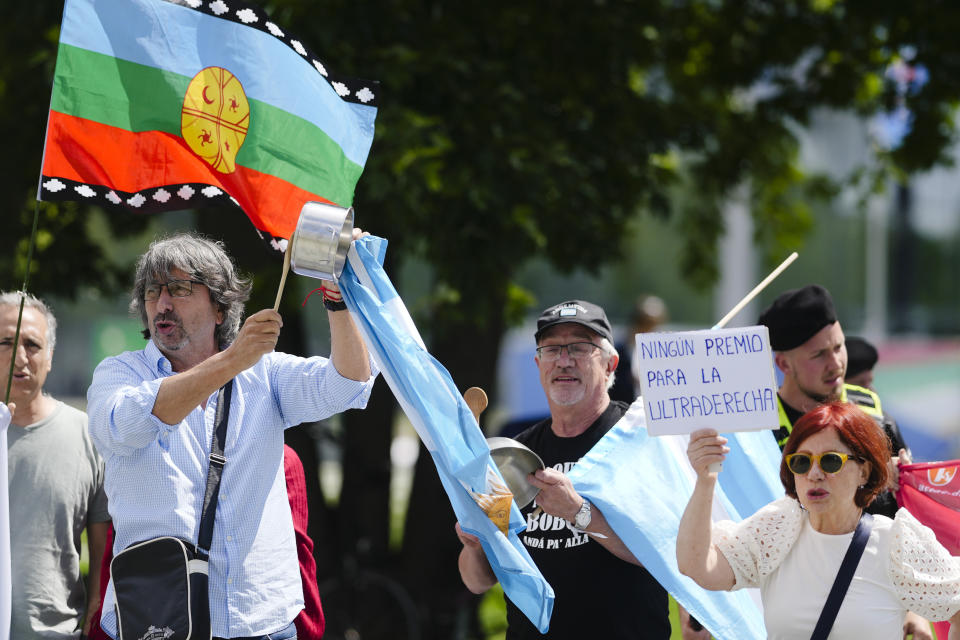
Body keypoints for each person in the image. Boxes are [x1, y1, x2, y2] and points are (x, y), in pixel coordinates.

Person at [86, 232, 377, 640]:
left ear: (220, 308)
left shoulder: (264, 373)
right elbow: (122, 425)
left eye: (180, 288)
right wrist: (232, 360)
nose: (162, 304)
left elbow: (348, 383)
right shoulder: (120, 373)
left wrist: (338, 299)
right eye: (153, 291)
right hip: (158, 623)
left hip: (259, 622)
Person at [455, 300, 672, 639]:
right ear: (538, 363)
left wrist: (580, 513)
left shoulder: (639, 438)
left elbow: (668, 556)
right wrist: (475, 544)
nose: (564, 360)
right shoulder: (513, 454)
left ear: (610, 364)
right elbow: (478, 580)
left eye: (580, 348)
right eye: (552, 349)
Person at [677, 402, 960, 639]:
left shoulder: (896, 542)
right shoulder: (777, 528)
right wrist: (705, 480)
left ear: (864, 471)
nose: (814, 474)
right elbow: (698, 567)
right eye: (801, 462)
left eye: (830, 461)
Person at [86, 444, 325, 640]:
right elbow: (295, 558)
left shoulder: (144, 451)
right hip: (253, 623)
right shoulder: (281, 459)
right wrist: (308, 629)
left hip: (159, 622)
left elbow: (123, 551)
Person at [1, 291, 110, 639]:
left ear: (50, 357)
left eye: (32, 345)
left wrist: (93, 622)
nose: (19, 357)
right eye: (5, 342)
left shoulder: (87, 436)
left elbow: (103, 556)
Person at [609, 294, 668, 403]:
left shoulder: (666, 354)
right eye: (643, 321)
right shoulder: (617, 352)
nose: (648, 328)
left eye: (653, 324)